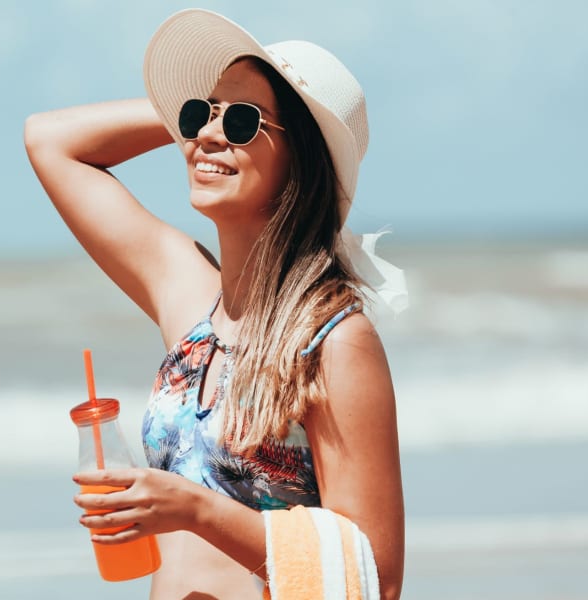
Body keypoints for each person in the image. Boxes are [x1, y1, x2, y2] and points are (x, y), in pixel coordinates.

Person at [24, 9, 406, 600]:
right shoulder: (191, 297)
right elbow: (51, 141)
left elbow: (376, 577)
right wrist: (197, 113)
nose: (205, 135)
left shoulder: (332, 339)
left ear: (300, 160)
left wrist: (198, 511)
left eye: (246, 120)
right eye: (203, 114)